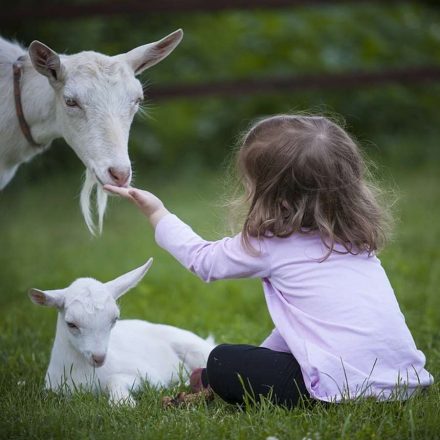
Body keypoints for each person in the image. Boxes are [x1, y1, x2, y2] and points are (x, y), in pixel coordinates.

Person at [104, 114, 433, 408]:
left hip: (342, 388)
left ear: (278, 196)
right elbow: (302, 328)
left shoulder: (272, 244)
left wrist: (157, 212)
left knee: (221, 360)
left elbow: (202, 259)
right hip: (402, 381)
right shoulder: (357, 243)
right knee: (236, 361)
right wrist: (260, 357)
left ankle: (218, 378)